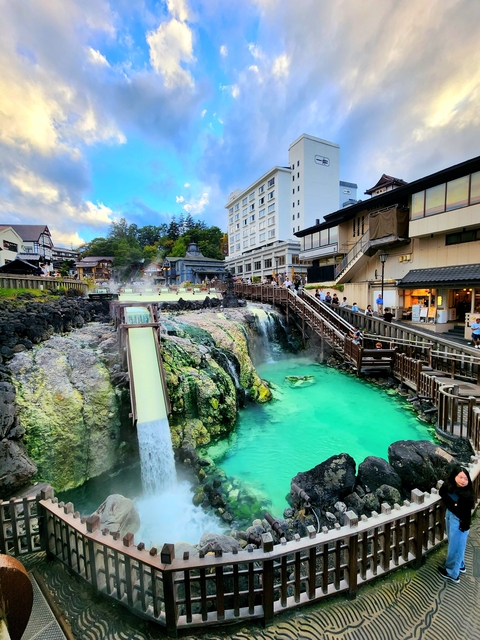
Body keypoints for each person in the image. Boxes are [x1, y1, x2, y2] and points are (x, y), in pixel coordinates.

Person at [438, 465, 474, 583]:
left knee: (455, 547)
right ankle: (461, 565)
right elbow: (442, 492)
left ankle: (452, 573)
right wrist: (453, 504)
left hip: (460, 522)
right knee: (457, 545)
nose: (463, 481)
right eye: (460, 477)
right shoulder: (451, 487)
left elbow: (464, 513)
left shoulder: (467, 496)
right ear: (454, 476)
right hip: (451, 516)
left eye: (466, 478)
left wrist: (452, 504)